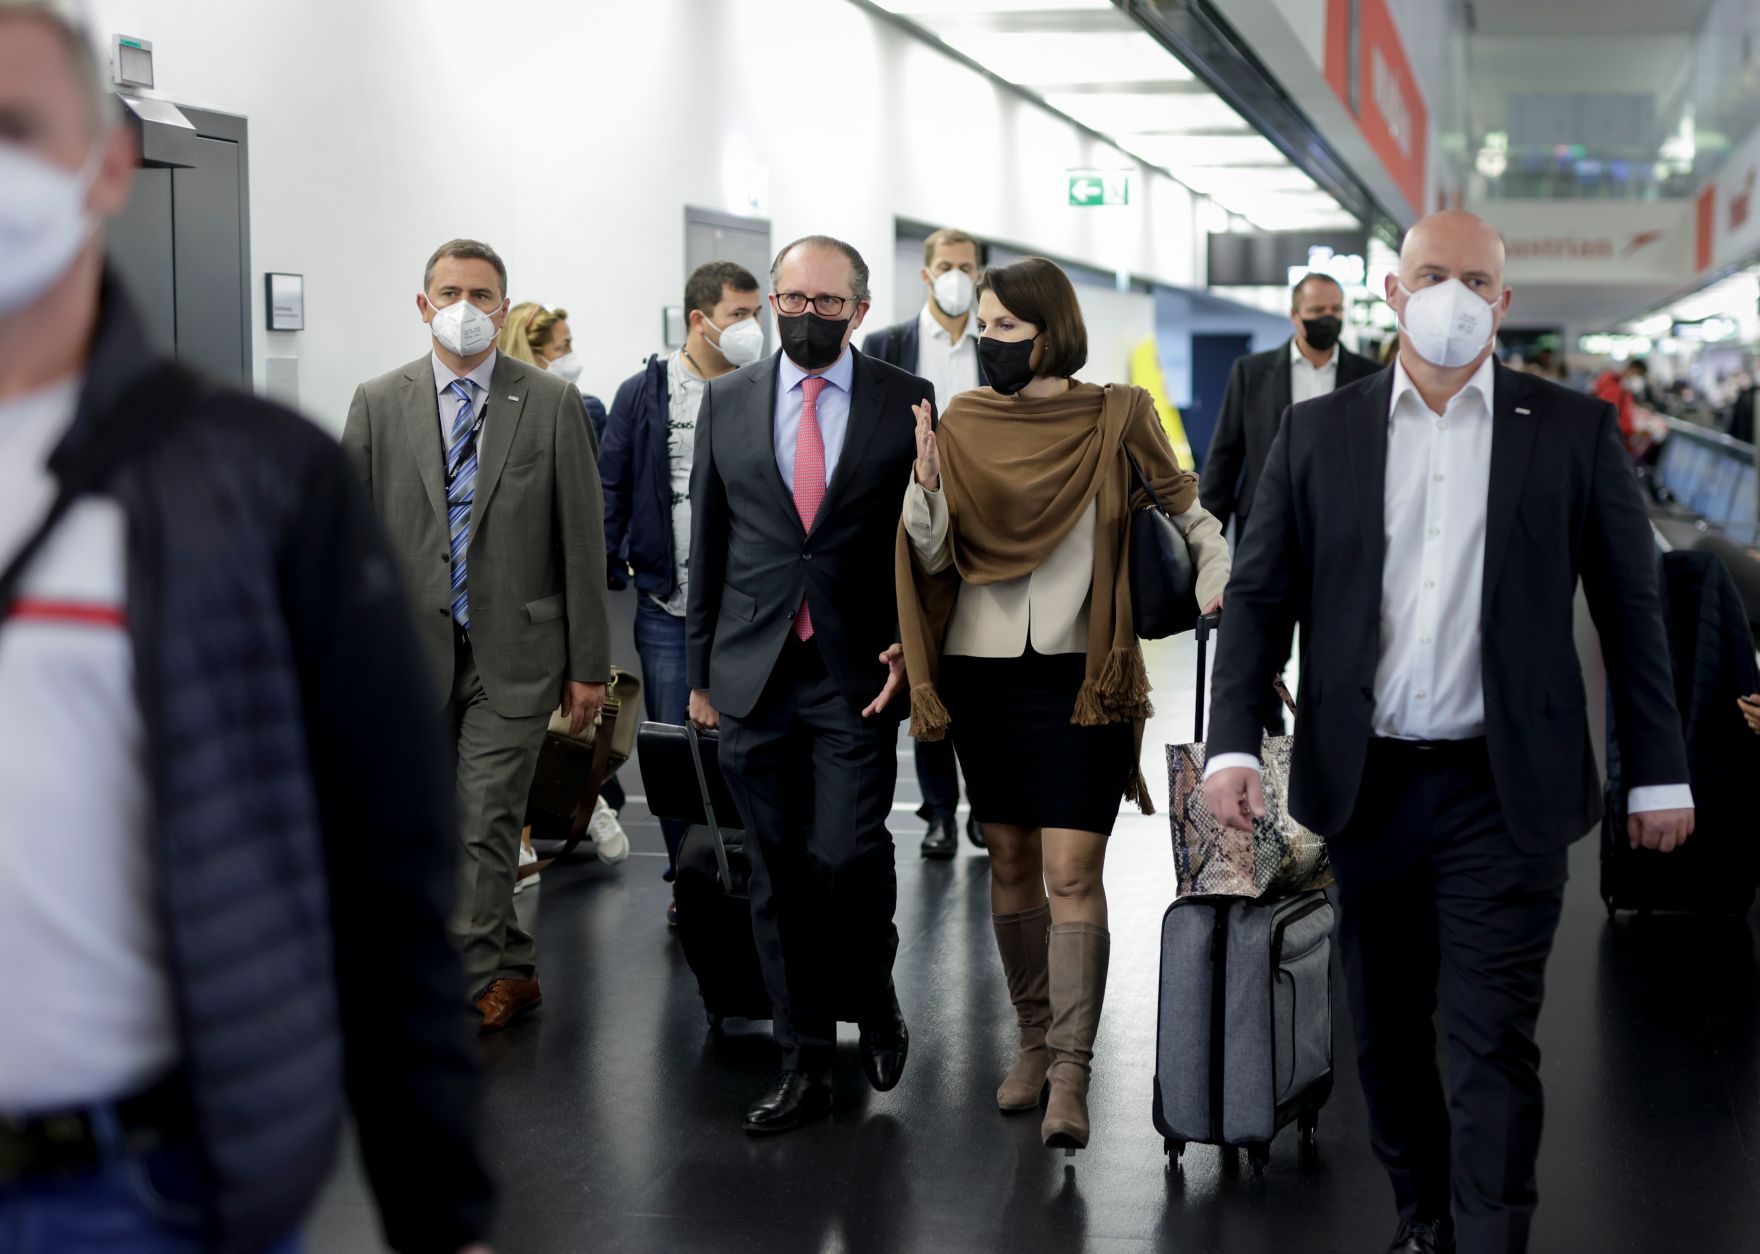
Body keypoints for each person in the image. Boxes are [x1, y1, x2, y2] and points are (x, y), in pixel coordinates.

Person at [0, 4, 493, 1251]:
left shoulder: (252, 480)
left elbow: (382, 876)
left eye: (14, 130)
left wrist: (443, 1209)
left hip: (126, 1191)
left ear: (111, 161)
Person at [1202, 210, 1695, 1254]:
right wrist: (1232, 743)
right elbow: (1257, 597)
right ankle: (1420, 1212)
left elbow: (1629, 608)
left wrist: (1655, 772)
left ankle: (1486, 1237)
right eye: (1432, 274)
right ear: (1390, 291)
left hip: (1501, 789)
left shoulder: (1565, 428)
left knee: (1487, 1043)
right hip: (1365, 784)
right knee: (1381, 1039)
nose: (1453, 295)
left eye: (1476, 279)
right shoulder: (1319, 431)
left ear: (1503, 303)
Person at [896, 256, 1231, 1152]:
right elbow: (932, 558)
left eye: (1008, 329)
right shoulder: (963, 421)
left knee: (1073, 871)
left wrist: (1220, 588)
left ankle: (1074, 1071)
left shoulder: (1118, 414)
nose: (991, 344)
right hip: (982, 670)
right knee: (1007, 859)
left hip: (1087, 675)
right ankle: (1034, 1041)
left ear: (1052, 332)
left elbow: (1191, 515)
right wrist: (927, 484)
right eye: (988, 330)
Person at [687, 235, 928, 1135]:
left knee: (845, 856)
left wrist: (912, 642)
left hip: (855, 671)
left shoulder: (908, 402)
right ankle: (802, 1063)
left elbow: (925, 548)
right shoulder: (729, 400)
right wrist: (703, 670)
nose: (807, 315)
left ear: (859, 311)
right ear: (774, 301)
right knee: (778, 874)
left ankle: (875, 995)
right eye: (793, 299)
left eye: (829, 303)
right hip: (753, 670)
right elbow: (707, 539)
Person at [343, 238, 611, 1036]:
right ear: (423, 305)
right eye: (451, 292)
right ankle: (514, 967)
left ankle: (455, 992)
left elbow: (581, 542)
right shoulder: (377, 400)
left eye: (484, 294)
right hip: (408, 655)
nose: (467, 307)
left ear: (504, 305)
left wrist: (589, 666)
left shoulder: (550, 402)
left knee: (485, 818)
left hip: (517, 656)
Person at [603, 260, 764, 921]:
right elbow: (610, 484)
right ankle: (689, 879)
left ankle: (754, 876)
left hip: (753, 608)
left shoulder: (767, 387)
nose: (753, 329)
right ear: (700, 320)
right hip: (669, 605)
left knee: (752, 746)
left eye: (759, 314)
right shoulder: (644, 391)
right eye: (739, 316)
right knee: (677, 748)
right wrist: (613, 564)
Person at [1200, 272, 1381, 732]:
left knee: (1337, 664)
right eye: (1319, 311)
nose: (1329, 319)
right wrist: (1204, 553)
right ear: (1295, 314)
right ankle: (1271, 766)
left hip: (1342, 546)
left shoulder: (1369, 376)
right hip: (1270, 542)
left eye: (1337, 310)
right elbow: (1225, 459)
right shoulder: (1253, 373)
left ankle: (1324, 769)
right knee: (1261, 661)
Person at [863, 227, 988, 860]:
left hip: (984, 526)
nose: (956, 276)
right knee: (922, 665)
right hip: (911, 522)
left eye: (966, 266)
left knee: (982, 669)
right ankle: (939, 810)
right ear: (925, 273)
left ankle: (985, 809)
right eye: (946, 265)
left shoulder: (997, 342)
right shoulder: (888, 346)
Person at [498, 300, 629, 882]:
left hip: (548, 600)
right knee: (516, 742)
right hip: (497, 597)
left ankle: (564, 815)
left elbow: (583, 517)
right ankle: (567, 813)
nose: (571, 355)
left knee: (555, 727)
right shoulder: (486, 407)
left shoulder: (576, 406)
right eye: (563, 343)